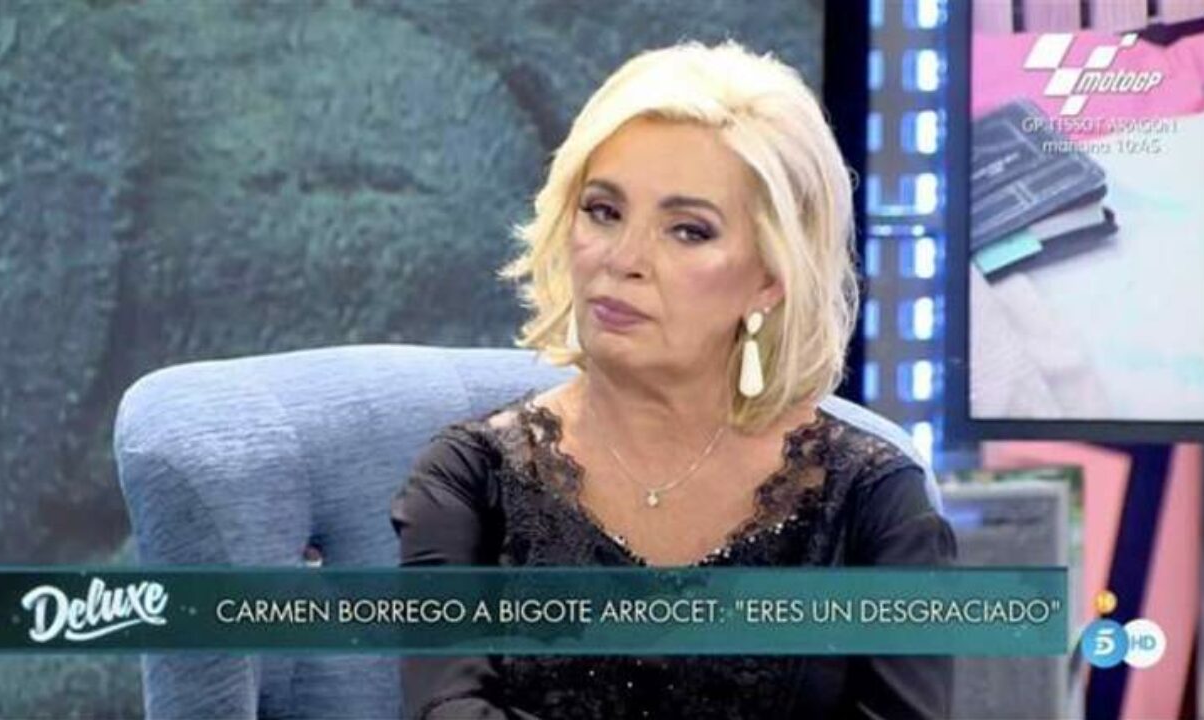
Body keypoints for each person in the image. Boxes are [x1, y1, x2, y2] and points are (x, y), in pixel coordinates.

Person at [390, 40, 956, 720]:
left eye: (688, 231)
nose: (624, 258)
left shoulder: (875, 502)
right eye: (603, 211)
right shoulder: (468, 479)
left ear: (771, 277)